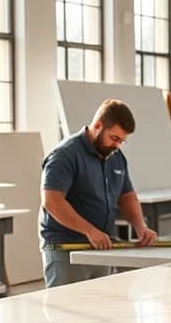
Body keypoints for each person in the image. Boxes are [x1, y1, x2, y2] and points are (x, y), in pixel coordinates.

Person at [40, 99, 158, 287]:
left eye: (122, 141)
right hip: (67, 251)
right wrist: (89, 231)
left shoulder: (115, 156)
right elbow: (52, 201)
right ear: (97, 126)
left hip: (101, 247)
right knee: (65, 310)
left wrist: (140, 226)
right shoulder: (65, 155)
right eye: (114, 138)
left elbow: (126, 195)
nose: (117, 145)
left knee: (100, 310)